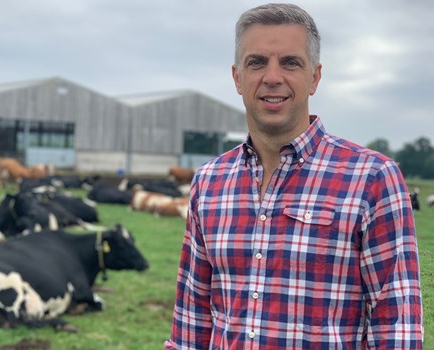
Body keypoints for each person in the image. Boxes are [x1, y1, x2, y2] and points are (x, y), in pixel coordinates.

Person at [165, 3, 423, 349]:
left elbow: (396, 324)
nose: (272, 77)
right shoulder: (209, 182)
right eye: (256, 62)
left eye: (290, 62)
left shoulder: (372, 178)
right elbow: (191, 317)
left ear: (314, 77)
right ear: (237, 77)